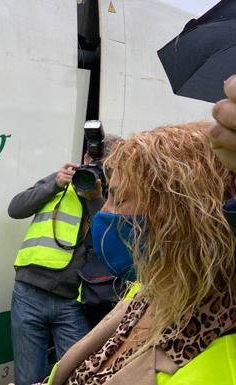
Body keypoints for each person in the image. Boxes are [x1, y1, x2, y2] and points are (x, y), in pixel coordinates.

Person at [42, 123, 236, 385]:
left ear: (176, 217)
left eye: (119, 199)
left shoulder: (219, 368)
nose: (103, 212)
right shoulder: (149, 290)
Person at [7, 138, 119, 385]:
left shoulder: (113, 194)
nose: (92, 167)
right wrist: (55, 185)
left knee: (79, 377)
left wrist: (95, 197)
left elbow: (111, 239)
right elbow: (15, 209)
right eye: (90, 160)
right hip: (29, 292)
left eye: (101, 164)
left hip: (73, 302)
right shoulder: (61, 180)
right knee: (28, 379)